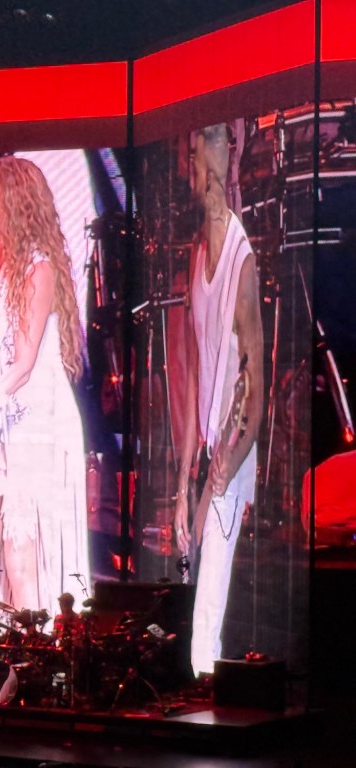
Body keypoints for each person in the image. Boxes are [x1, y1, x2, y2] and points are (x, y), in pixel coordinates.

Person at [0, 156, 91, 642]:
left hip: (32, 418)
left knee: (21, 552)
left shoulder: (39, 269)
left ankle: (33, 669)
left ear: (17, 202)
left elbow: (24, 363)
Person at [173, 124, 263, 678]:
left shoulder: (240, 258)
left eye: (203, 143)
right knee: (188, 581)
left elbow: (258, 370)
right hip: (208, 447)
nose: (194, 158)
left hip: (233, 444)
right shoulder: (197, 252)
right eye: (191, 147)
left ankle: (205, 710)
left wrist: (231, 455)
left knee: (206, 603)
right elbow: (193, 375)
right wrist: (184, 481)